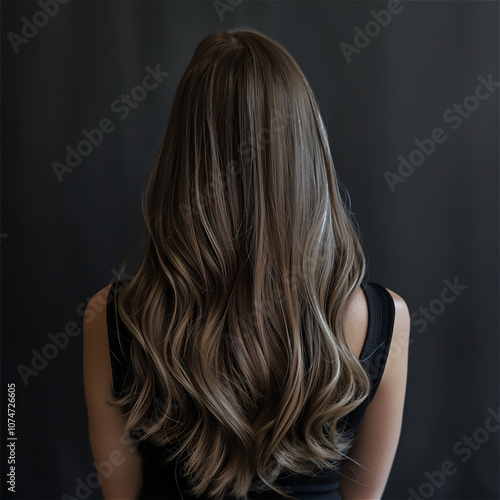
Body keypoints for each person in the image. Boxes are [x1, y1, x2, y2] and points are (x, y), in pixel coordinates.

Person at [83, 27, 410, 500]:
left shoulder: (110, 318)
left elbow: (122, 494)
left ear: (182, 159)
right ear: (306, 154)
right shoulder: (385, 319)